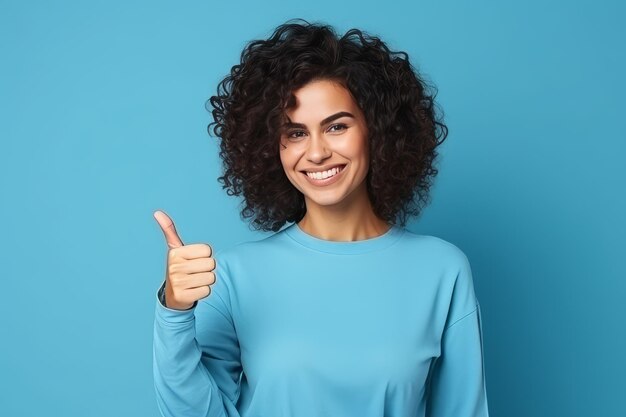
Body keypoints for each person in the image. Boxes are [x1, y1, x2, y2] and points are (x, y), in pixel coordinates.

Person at [152, 19, 489, 417]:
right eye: (295, 133)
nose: (315, 153)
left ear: (377, 131)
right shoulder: (233, 274)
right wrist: (174, 310)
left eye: (336, 126)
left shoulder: (442, 270)